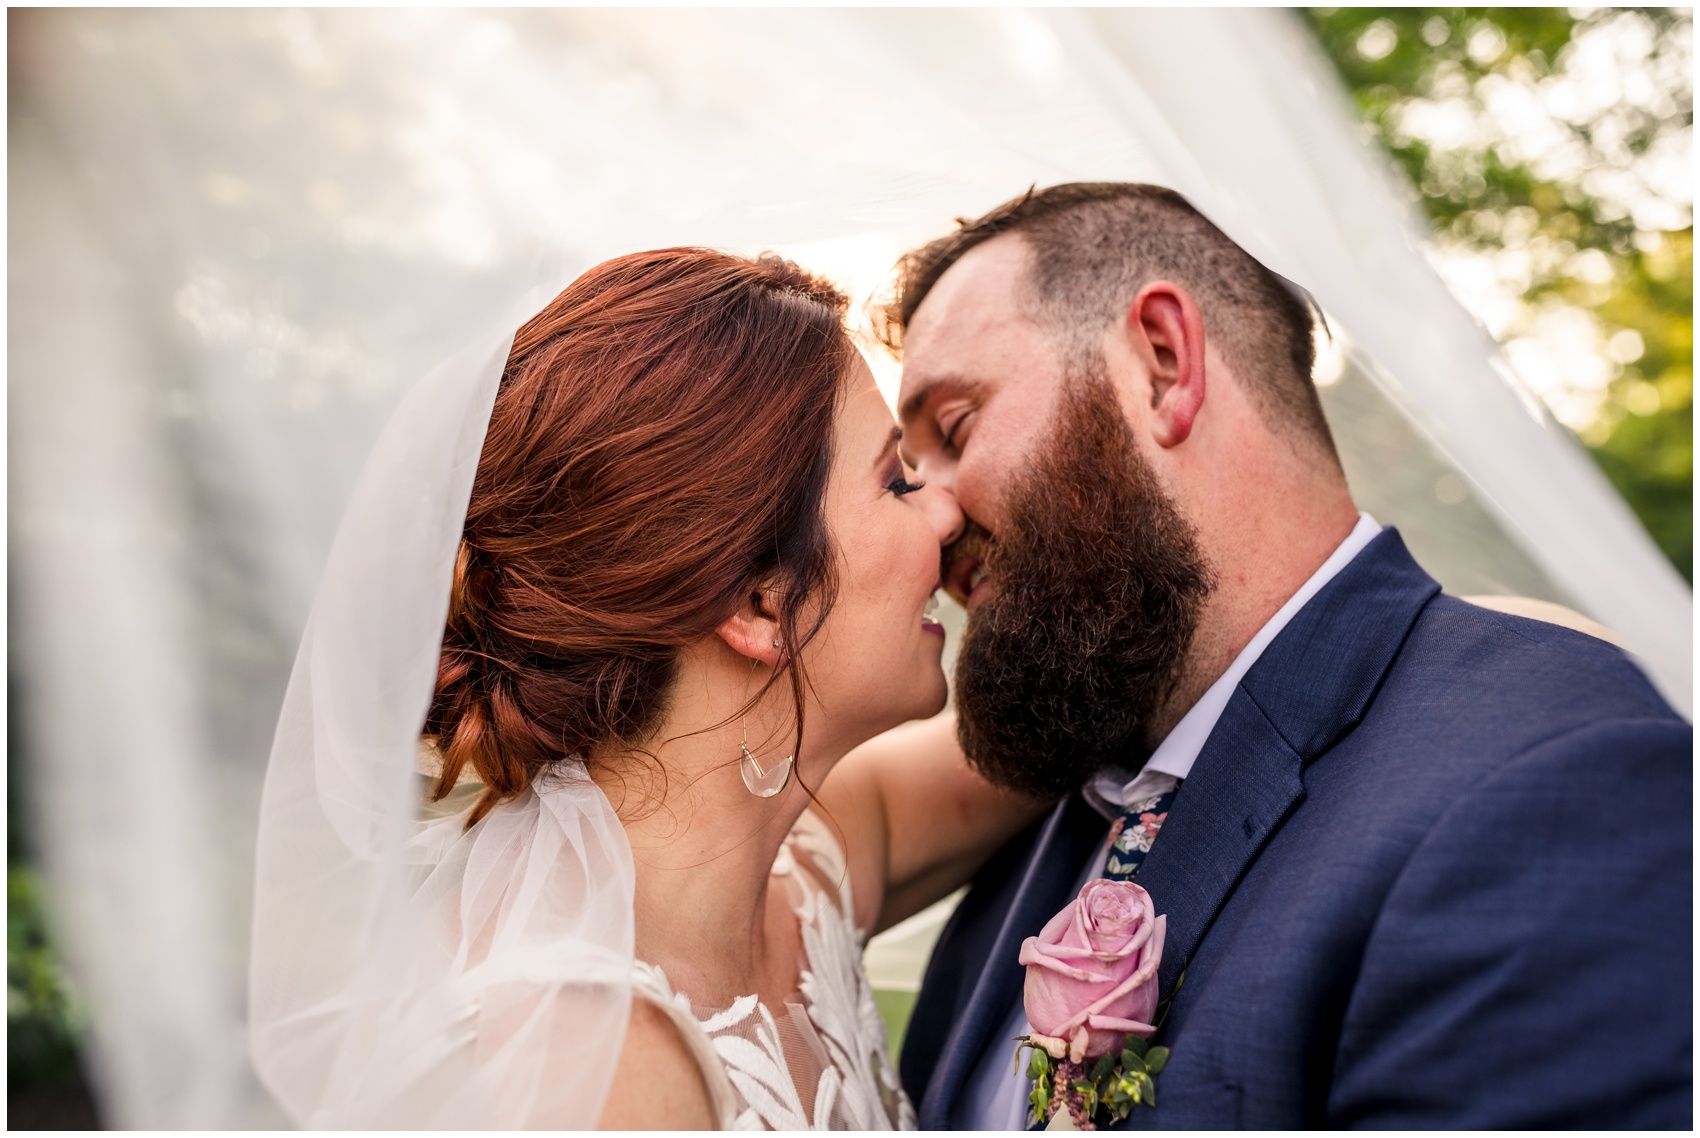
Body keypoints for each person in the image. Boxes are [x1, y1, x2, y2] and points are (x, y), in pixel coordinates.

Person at [885, 183, 1692, 1129]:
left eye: (955, 429)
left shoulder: (1554, 784)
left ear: (1160, 363)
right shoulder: (1029, 828)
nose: (928, 521)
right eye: (906, 476)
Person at [247, 249, 1045, 1129]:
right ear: (759, 602)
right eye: (895, 482)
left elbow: (1055, 728)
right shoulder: (590, 1068)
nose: (945, 511)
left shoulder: (800, 874)